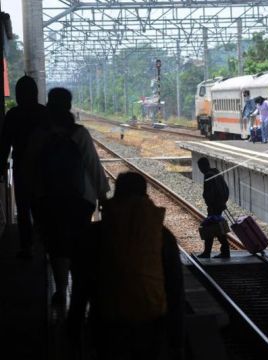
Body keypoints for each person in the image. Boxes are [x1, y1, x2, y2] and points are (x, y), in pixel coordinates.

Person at [68, 172, 184, 359]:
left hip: (107, 324)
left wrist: (73, 331)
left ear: (116, 195)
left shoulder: (94, 234)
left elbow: (80, 288)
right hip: (151, 325)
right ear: (145, 196)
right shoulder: (162, 235)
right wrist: (177, 340)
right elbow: (175, 290)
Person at [33, 87, 109, 305]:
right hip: (81, 200)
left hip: (49, 200)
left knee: (56, 244)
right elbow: (93, 165)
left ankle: (61, 288)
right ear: (69, 106)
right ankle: (80, 293)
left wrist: (35, 195)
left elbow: (30, 166)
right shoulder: (79, 133)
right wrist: (103, 194)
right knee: (78, 245)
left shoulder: (40, 134)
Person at [0, 76, 47, 258]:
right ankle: (43, 244)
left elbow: (4, 145)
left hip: (21, 169)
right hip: (44, 170)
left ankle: (27, 246)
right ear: (35, 93)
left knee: (23, 209)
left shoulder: (13, 115)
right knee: (41, 208)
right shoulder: (44, 113)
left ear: (18, 95)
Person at [197, 157, 230, 259]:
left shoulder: (208, 176)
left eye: (200, 167)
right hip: (219, 205)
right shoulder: (216, 172)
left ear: (202, 166)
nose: (200, 170)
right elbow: (225, 189)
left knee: (211, 228)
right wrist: (223, 202)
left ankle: (218, 251)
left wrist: (211, 206)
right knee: (214, 227)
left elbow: (209, 194)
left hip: (214, 207)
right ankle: (221, 251)